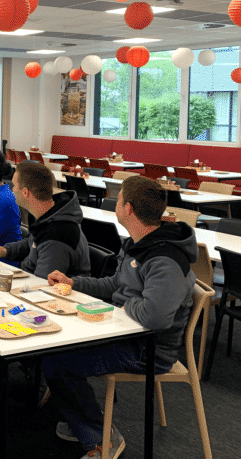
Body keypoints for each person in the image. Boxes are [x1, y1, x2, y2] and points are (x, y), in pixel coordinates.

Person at [41, 176, 197, 459]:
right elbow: (116, 285)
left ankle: (100, 437)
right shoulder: (138, 243)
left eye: (120, 198)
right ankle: (84, 420)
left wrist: (126, 306)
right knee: (51, 346)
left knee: (58, 362)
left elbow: (154, 317)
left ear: (128, 209)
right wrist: (73, 283)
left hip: (147, 350)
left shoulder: (165, 258)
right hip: (123, 332)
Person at [0, 161, 91, 278]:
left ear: (25, 192)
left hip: (48, 291)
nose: (12, 190)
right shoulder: (48, 216)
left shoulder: (57, 236)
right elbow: (33, 244)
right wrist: (3, 250)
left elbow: (42, 286)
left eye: (14, 185)